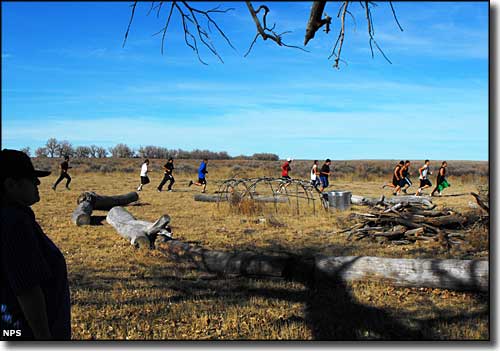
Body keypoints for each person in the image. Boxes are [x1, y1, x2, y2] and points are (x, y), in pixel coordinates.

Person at [1, 149, 71, 340]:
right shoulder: (13, 223)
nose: (38, 182)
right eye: (31, 178)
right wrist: (43, 338)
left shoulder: (15, 217)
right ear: (11, 185)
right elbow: (27, 289)